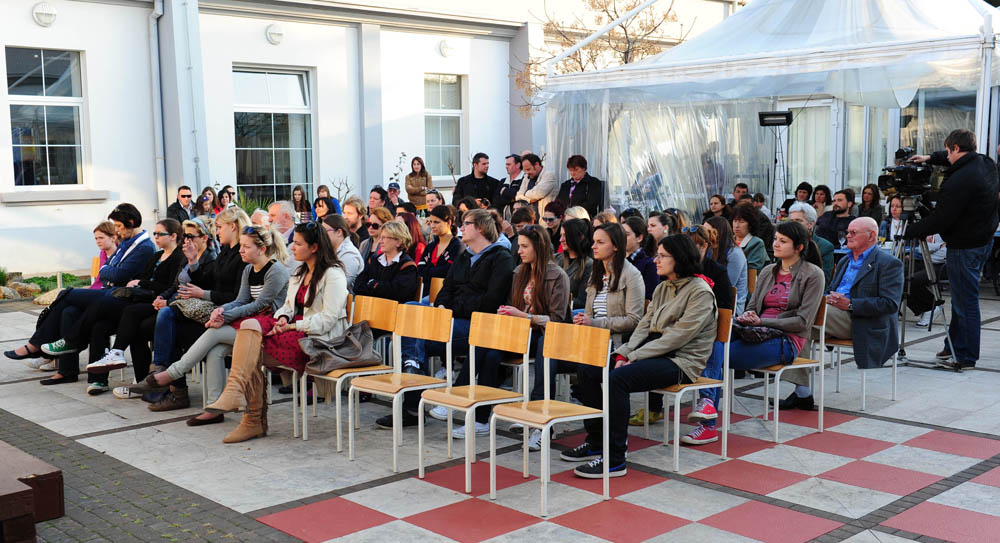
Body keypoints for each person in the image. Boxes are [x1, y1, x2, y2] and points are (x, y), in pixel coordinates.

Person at [564, 234, 717, 478]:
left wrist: (634, 356)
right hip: (653, 353)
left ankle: (615, 458)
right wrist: (623, 353)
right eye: (657, 255)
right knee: (588, 370)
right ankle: (596, 442)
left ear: (680, 259)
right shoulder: (663, 287)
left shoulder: (700, 292)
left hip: (681, 361)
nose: (656, 260)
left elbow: (676, 338)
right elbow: (644, 325)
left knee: (618, 379)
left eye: (663, 256)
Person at [126, 221, 290, 426]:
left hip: (269, 326)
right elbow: (240, 301)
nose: (241, 250)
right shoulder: (249, 269)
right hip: (250, 323)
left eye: (246, 247)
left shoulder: (276, 271)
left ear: (262, 249)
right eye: (241, 245)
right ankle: (214, 409)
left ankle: (171, 374)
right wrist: (220, 310)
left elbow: (259, 305)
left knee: (214, 333)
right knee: (215, 351)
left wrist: (224, 316)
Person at [201, 222, 345, 443]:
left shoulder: (333, 274)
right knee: (249, 326)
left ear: (314, 247)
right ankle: (238, 396)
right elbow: (288, 306)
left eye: (298, 243)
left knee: (252, 351)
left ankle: (252, 419)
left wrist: (292, 326)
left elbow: (328, 320)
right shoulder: (300, 272)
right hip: (295, 328)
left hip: (318, 338)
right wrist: (284, 317)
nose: (292, 247)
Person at [92, 209, 248, 400]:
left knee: (161, 320)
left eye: (190, 236)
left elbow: (231, 295)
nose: (186, 240)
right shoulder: (222, 253)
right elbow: (184, 284)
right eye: (185, 236)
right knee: (132, 322)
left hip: (216, 313)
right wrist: (192, 264)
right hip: (196, 307)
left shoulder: (225, 256)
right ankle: (158, 383)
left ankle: (162, 378)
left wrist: (183, 296)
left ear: (232, 227)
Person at [384, 208, 514, 428]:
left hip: (477, 325)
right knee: (411, 312)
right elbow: (447, 288)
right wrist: (443, 306)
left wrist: (451, 309)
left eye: (466, 224)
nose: (461, 228)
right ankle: (413, 369)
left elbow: (490, 301)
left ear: (480, 229)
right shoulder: (465, 256)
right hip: (451, 319)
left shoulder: (501, 258)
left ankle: (412, 402)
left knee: (415, 339)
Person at [690, 222, 824, 434]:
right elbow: (753, 306)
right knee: (710, 340)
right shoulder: (769, 271)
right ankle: (707, 406)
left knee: (718, 354)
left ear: (799, 247)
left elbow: (802, 322)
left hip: (786, 340)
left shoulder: (813, 274)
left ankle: (707, 422)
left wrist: (762, 322)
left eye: (783, 241)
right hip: (754, 331)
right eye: (776, 239)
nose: (776, 244)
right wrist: (749, 315)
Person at [6, 204, 155, 383]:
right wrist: (108, 271)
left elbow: (117, 274)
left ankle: (39, 345)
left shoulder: (144, 247)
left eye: (118, 226)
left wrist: (108, 271)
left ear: (130, 223)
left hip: (120, 298)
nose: (116, 230)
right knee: (69, 311)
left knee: (67, 293)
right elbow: (106, 270)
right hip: (110, 293)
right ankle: (66, 370)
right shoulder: (126, 243)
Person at [451, 224, 569, 439]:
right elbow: (511, 305)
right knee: (489, 350)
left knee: (490, 343)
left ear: (539, 247)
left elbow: (558, 320)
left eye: (525, 246)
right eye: (519, 246)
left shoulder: (557, 276)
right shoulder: (519, 272)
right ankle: (479, 418)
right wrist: (507, 313)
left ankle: (459, 393)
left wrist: (525, 317)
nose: (519, 251)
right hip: (517, 332)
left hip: (542, 335)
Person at [44, 219, 184, 395]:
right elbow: (120, 275)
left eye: (160, 234)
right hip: (139, 299)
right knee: (98, 324)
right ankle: (98, 379)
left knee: (86, 299)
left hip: (153, 303)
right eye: (154, 233)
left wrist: (142, 283)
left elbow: (169, 286)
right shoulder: (157, 256)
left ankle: (74, 341)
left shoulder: (177, 257)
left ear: (173, 236)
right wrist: (140, 282)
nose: (155, 237)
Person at [775, 217, 902, 408]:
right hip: (833, 314)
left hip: (861, 320)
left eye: (853, 233)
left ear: (871, 236)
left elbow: (890, 304)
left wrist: (850, 304)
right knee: (798, 326)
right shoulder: (844, 260)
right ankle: (803, 392)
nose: (848, 236)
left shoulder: (889, 263)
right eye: (847, 232)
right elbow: (830, 290)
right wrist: (826, 297)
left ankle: (795, 387)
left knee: (800, 317)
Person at [906, 129, 999, 369]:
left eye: (947, 151)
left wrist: (911, 230)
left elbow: (941, 220)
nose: (946, 156)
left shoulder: (959, 181)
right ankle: (954, 346)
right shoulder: (985, 163)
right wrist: (930, 157)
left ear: (956, 148)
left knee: (965, 301)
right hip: (983, 241)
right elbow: (956, 158)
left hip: (964, 246)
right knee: (962, 298)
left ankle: (966, 356)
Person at [354, 221, 419, 303]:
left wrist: (373, 284)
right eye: (380, 237)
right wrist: (380, 287)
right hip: (370, 306)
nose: (380, 241)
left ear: (398, 242)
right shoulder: (373, 260)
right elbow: (357, 286)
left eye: (384, 237)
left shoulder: (408, 266)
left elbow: (399, 294)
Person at [704, 217, 748, 315]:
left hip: (731, 307)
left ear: (718, 232)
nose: (704, 235)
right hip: (711, 299)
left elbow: (727, 285)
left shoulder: (735, 253)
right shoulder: (710, 250)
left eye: (708, 231)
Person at [417, 205, 463, 300]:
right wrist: (435, 271)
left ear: (449, 222)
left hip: (445, 297)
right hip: (425, 293)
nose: (432, 226)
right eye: (431, 222)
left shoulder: (457, 246)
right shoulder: (431, 246)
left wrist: (428, 270)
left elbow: (449, 271)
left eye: (436, 222)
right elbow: (420, 270)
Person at [788, 202, 835, 286]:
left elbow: (824, 280)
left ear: (810, 224)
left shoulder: (825, 247)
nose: (793, 225)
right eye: (791, 221)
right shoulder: (785, 244)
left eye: (798, 221)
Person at [910, 234, 947, 327]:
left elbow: (944, 255)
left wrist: (928, 252)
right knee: (900, 276)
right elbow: (921, 248)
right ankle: (924, 308)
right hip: (927, 262)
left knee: (912, 280)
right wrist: (939, 246)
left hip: (942, 266)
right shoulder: (934, 232)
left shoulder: (948, 232)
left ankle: (932, 306)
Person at [556, 219, 594, 311]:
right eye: (561, 235)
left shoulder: (588, 265)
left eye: (565, 235)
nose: (561, 240)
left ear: (580, 237)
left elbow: (582, 302)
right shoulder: (556, 259)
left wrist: (555, 299)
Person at [323, 214, 364, 292]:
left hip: (346, 298)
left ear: (339, 232)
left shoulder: (350, 254)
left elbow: (341, 284)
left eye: (325, 231)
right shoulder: (330, 250)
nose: (322, 235)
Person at [621, 216, 658, 301]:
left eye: (626, 234)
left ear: (639, 238)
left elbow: (648, 297)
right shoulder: (616, 261)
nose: (621, 238)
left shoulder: (649, 264)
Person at [517, 153, 558, 217]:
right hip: (529, 218)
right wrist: (529, 200)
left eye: (528, 169)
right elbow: (518, 196)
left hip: (544, 219)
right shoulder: (526, 177)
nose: (527, 173)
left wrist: (525, 194)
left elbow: (538, 193)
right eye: (525, 170)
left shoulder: (549, 175)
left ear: (537, 164)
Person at [732, 203, 768, 272]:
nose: (737, 225)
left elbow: (752, 269)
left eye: (742, 222)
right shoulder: (728, 241)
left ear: (750, 224)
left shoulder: (757, 243)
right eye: (735, 221)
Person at [89, 221, 118, 291]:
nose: (98, 241)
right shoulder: (103, 253)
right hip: (101, 288)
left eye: (101, 238)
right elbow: (100, 278)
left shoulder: (122, 253)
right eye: (96, 238)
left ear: (113, 238)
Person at [493, 153, 525, 217]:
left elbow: (521, 196)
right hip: (502, 218)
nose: (506, 167)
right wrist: (512, 199)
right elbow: (495, 200)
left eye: (509, 164)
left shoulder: (525, 179)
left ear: (518, 165)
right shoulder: (503, 181)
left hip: (519, 218)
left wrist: (505, 191)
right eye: (506, 164)